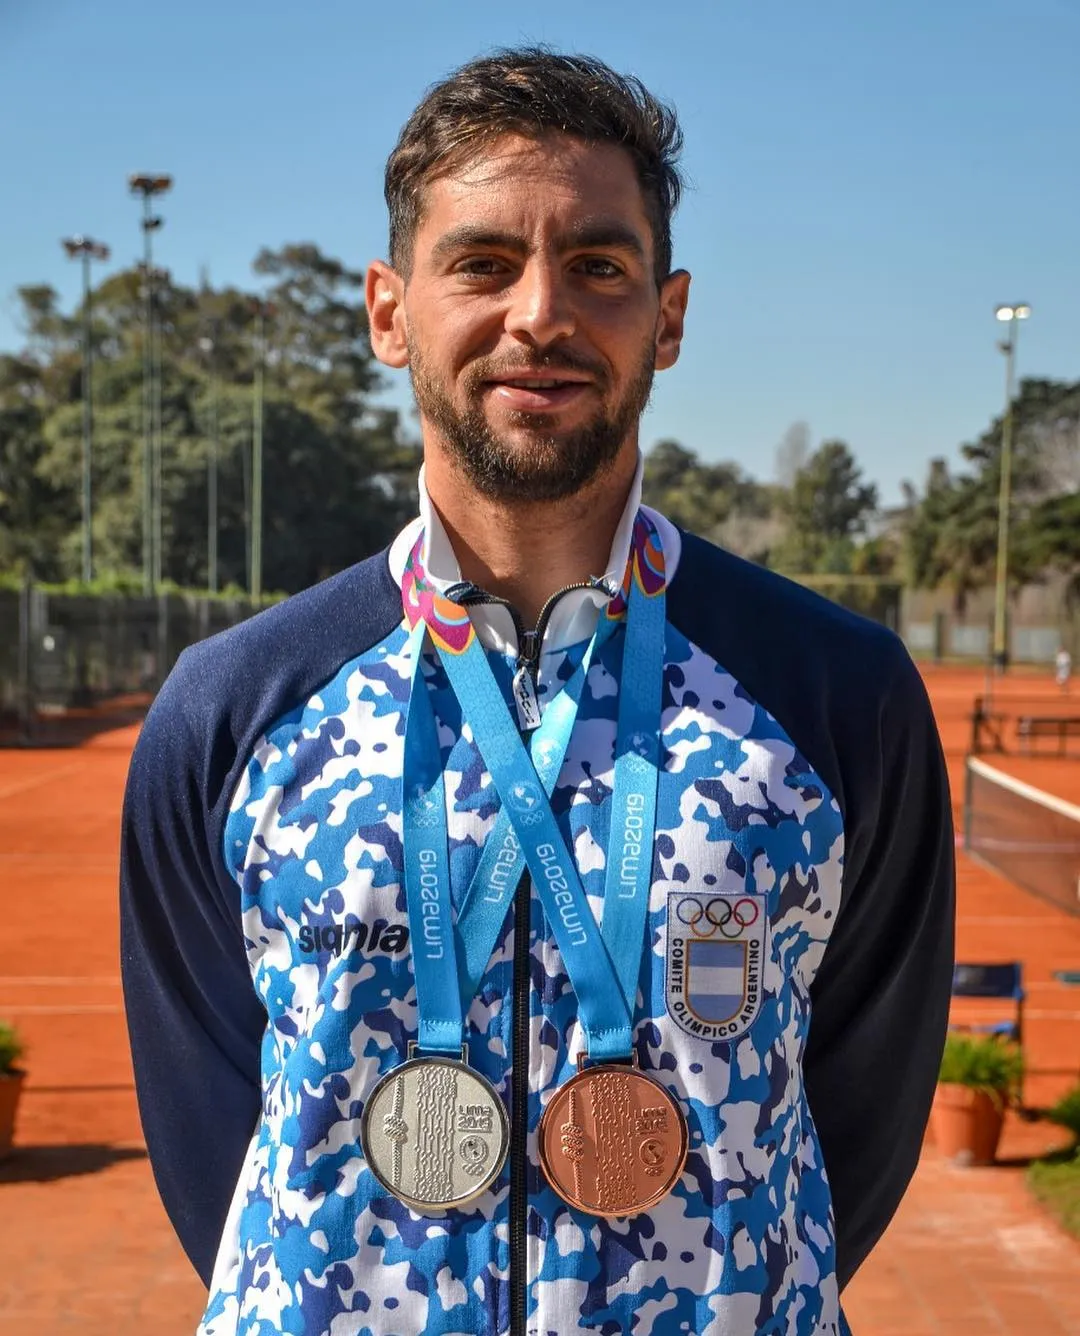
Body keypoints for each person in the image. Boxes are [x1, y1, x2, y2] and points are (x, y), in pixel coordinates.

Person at [120, 48, 955, 1336]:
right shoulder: (235, 710)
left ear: (667, 316)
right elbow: (209, 1135)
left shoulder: (835, 697)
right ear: (390, 311)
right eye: (483, 262)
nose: (541, 314)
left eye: (600, 267)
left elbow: (865, 1110)